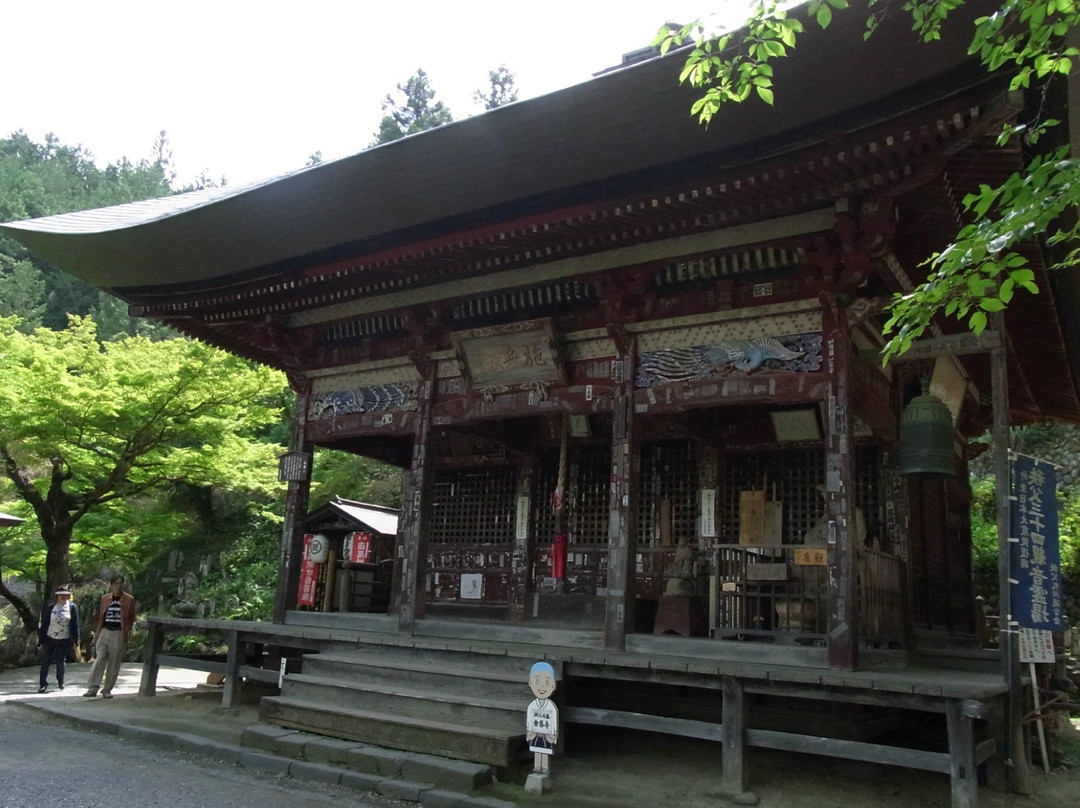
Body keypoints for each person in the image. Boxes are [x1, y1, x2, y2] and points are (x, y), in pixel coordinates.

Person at [83, 575, 136, 699]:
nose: (119, 586)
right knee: (100, 658)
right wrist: (97, 633)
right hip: (104, 631)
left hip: (118, 632)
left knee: (114, 662)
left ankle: (107, 689)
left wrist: (127, 631)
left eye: (121, 583)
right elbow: (101, 615)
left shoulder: (129, 599)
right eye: (116, 583)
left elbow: (132, 616)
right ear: (111, 585)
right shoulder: (106, 598)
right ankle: (93, 687)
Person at [38, 585, 79, 693]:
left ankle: (61, 682)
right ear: (57, 596)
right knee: (45, 662)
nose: (63, 597)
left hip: (64, 639)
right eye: (61, 595)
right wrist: (40, 639)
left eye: (66, 595)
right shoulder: (51, 607)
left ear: (69, 596)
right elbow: (45, 623)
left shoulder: (72, 607)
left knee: (60, 661)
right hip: (49, 638)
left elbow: (75, 625)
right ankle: (43, 684)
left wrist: (75, 640)